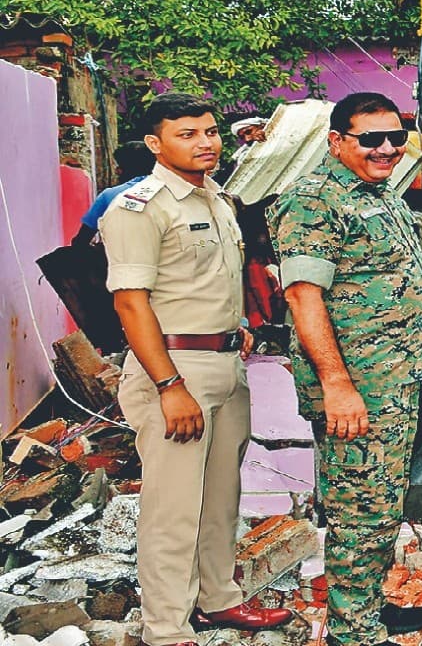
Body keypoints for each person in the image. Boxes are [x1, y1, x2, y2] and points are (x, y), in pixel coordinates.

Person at [99, 93, 290, 646]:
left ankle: (218, 599)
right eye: (187, 134)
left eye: (209, 131)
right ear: (156, 145)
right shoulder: (140, 207)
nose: (205, 142)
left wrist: (238, 327)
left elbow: (207, 284)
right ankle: (166, 627)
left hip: (226, 363)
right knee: (173, 506)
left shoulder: (217, 200)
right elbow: (131, 304)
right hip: (174, 368)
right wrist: (168, 386)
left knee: (220, 495)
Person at [268, 92, 422, 646]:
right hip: (358, 389)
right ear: (337, 141)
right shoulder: (315, 201)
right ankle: (352, 633)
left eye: (396, 136)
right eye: (371, 139)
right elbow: (303, 298)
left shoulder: (376, 193)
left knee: (379, 505)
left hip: (393, 381)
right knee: (360, 513)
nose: (387, 148)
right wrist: (338, 387)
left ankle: (363, 612)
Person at [72, 141, 155, 247]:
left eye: (119, 166)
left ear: (123, 169)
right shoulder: (171, 191)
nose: (116, 171)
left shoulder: (109, 196)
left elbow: (81, 240)